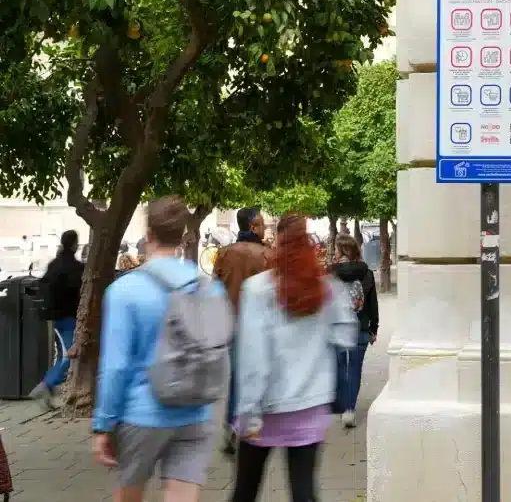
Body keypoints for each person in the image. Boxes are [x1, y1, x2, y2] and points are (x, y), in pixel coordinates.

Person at [92, 196, 226, 502]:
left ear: (149, 235)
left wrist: (103, 424)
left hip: (142, 414)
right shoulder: (208, 287)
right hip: (196, 410)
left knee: (129, 496)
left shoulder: (125, 291)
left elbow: (115, 366)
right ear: (182, 235)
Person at [230, 214, 357, 502]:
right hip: (311, 404)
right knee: (304, 491)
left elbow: (254, 356)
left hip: (266, 408)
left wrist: (248, 410)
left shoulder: (259, 289)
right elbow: (346, 336)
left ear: (278, 243)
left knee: (245, 491)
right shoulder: (327, 288)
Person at [212, 207, 272, 456]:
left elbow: (215, 291)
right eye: (263, 225)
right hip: (260, 326)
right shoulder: (267, 255)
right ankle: (252, 424)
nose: (266, 228)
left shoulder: (224, 254)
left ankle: (232, 424)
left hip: (231, 324)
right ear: (254, 227)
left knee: (236, 377)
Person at [29, 230, 84, 410]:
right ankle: (46, 385)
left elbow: (42, 284)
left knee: (64, 354)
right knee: (69, 354)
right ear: (75, 244)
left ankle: (49, 393)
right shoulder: (75, 267)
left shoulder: (55, 264)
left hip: (57, 316)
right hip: (67, 316)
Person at [329, 234, 380, 428]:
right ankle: (349, 409)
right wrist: (374, 327)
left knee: (340, 366)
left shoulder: (332, 272)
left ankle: (342, 404)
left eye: (336, 249)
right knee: (355, 368)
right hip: (360, 326)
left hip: (337, 325)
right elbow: (372, 303)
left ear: (342, 251)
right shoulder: (366, 272)